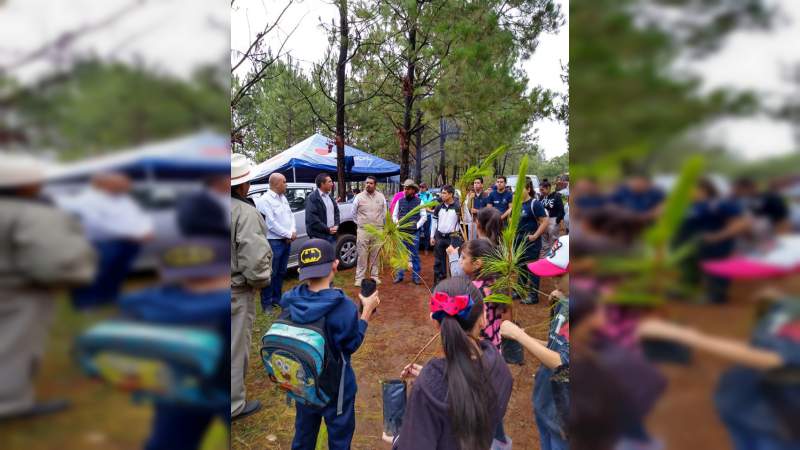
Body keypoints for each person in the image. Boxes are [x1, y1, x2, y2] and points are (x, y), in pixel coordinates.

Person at [637, 293, 800, 450]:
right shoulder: (791, 306)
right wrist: (781, 302)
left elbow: (766, 358)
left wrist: (686, 336)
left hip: (776, 413)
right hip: (747, 400)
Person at [0, 155, 96, 420]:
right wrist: (72, 278)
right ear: (24, 185)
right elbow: (54, 263)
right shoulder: (34, 214)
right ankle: (9, 405)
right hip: (19, 295)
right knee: (13, 348)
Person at [120, 224, 230, 450]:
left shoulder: (147, 305)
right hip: (220, 383)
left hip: (174, 383)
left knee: (170, 438)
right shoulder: (222, 311)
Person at [389, 276, 513, 450]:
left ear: (435, 323)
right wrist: (440, 377)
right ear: (483, 318)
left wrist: (396, 439)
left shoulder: (428, 389)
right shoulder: (500, 367)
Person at [280, 239, 380, 449]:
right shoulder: (342, 306)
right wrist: (367, 312)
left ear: (301, 270)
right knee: (339, 439)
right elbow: (351, 344)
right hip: (337, 389)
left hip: (303, 381)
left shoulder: (290, 300)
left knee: (303, 436)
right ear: (335, 264)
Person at [500, 234, 570, 450]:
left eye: (560, 275)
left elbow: (562, 361)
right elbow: (554, 344)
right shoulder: (564, 302)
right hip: (548, 402)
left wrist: (521, 336)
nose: (553, 280)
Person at [58, 172, 154, 309]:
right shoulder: (87, 200)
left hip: (129, 243)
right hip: (103, 244)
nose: (128, 186)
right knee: (95, 274)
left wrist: (147, 230)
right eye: (123, 183)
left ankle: (109, 298)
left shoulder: (124, 199)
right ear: (104, 184)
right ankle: (87, 303)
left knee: (117, 272)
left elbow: (140, 215)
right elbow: (97, 224)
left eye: (127, 183)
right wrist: (132, 234)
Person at [230, 153, 272, 420]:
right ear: (244, 185)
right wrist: (259, 283)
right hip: (234, 292)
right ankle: (233, 404)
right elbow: (255, 259)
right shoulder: (245, 213)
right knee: (235, 348)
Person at [678, 178, 750, 304]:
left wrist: (717, 236)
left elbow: (741, 224)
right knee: (690, 268)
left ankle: (716, 295)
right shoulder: (689, 205)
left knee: (717, 269)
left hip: (716, 244)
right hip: (691, 244)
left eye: (690, 189)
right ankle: (687, 290)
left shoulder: (720, 204)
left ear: (703, 190)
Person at [255, 172, 297, 312]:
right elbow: (270, 223)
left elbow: (290, 215)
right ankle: (266, 304)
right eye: (284, 182)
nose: (286, 184)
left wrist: (292, 230)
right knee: (270, 273)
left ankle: (276, 299)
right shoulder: (265, 200)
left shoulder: (283, 198)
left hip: (285, 241)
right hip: (274, 242)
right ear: (277, 183)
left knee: (281, 272)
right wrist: (288, 234)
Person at [517, 178, 549, 304]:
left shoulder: (534, 203)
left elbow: (545, 221)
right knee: (521, 266)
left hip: (531, 241)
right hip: (519, 241)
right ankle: (519, 291)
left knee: (532, 267)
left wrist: (535, 236)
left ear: (528, 189)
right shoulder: (518, 204)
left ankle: (533, 295)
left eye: (521, 188)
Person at [352, 176, 386, 287]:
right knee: (362, 254)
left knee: (375, 255)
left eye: (371, 183)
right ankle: (359, 278)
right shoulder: (359, 197)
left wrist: (382, 226)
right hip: (363, 231)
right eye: (366, 183)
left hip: (378, 230)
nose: (368, 185)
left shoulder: (381, 197)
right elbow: (353, 214)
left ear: (375, 185)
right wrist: (361, 224)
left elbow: (385, 213)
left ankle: (374, 276)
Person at [393, 179, 426, 285]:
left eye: (407, 189)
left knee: (414, 255)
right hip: (401, 233)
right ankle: (400, 275)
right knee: (401, 254)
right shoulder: (400, 201)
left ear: (413, 190)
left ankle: (416, 277)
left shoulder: (420, 202)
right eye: (404, 188)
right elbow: (394, 215)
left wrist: (416, 226)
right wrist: (397, 224)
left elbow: (424, 217)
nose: (405, 190)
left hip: (413, 233)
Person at [429, 185, 462, 285]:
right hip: (439, 236)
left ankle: (455, 285)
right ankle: (439, 285)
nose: (442, 195)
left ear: (451, 194)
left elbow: (463, 222)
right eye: (441, 193)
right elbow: (434, 222)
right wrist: (432, 236)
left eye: (444, 193)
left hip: (453, 237)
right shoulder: (439, 207)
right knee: (439, 262)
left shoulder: (457, 207)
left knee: (454, 260)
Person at [305, 172, 340, 244]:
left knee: (332, 254)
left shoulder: (329, 196)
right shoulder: (312, 198)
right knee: (322, 255)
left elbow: (336, 212)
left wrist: (336, 225)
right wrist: (327, 229)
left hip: (332, 234)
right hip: (319, 236)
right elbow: (313, 219)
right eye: (329, 182)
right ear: (322, 184)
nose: (332, 184)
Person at [539, 179, 566, 256]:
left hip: (553, 220)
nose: (541, 191)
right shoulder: (541, 197)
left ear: (548, 188)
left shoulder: (556, 196)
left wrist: (556, 221)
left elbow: (561, 211)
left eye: (542, 189)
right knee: (543, 242)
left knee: (553, 242)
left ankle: (552, 258)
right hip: (543, 221)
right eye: (540, 190)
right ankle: (544, 259)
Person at [418, 183, 434, 252]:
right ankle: (417, 248)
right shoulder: (417, 195)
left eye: (423, 187)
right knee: (417, 231)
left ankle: (426, 248)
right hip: (418, 216)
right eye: (420, 187)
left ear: (426, 188)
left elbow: (431, 206)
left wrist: (424, 207)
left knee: (426, 232)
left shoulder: (429, 195)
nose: (421, 188)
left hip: (427, 216)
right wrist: (425, 207)